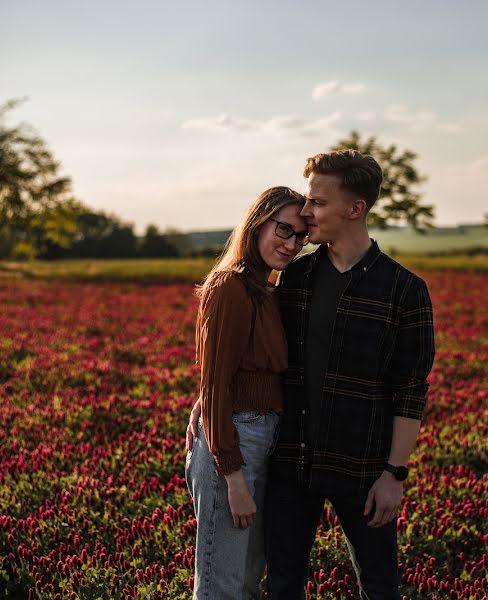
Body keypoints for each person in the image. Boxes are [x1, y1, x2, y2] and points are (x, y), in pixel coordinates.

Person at [189, 150, 435, 599]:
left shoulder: (405, 291)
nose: (306, 212)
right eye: (304, 203)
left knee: (381, 585)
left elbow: (410, 391)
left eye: (317, 203)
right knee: (280, 584)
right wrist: (207, 405)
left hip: (362, 468)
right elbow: (236, 357)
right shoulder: (294, 278)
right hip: (290, 465)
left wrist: (394, 474)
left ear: (355, 209)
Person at [184, 186, 308, 599]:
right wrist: (233, 478)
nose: (290, 244)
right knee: (224, 586)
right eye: (283, 229)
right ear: (258, 222)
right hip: (235, 445)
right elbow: (217, 385)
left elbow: (230, 377)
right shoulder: (230, 286)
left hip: (260, 438)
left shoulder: (265, 290)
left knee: (247, 582)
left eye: (300, 236)